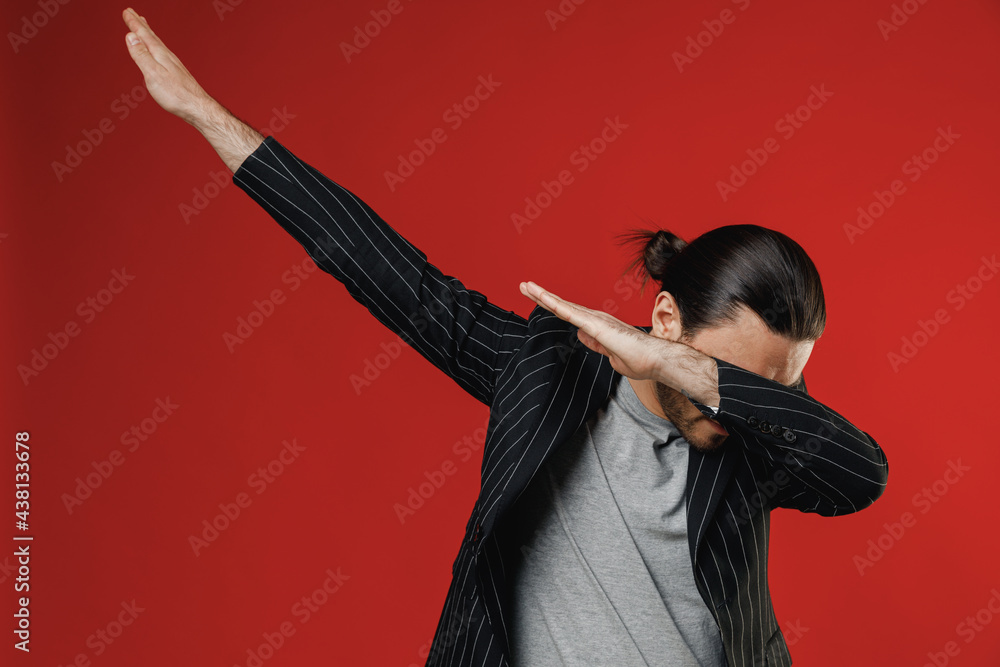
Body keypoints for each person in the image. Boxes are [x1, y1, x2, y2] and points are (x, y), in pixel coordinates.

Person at [121, 8, 889, 666]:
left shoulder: (757, 436)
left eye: (775, 385)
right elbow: (395, 279)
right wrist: (207, 117)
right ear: (664, 319)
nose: (734, 406)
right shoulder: (549, 370)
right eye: (716, 370)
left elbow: (864, 476)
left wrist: (699, 375)